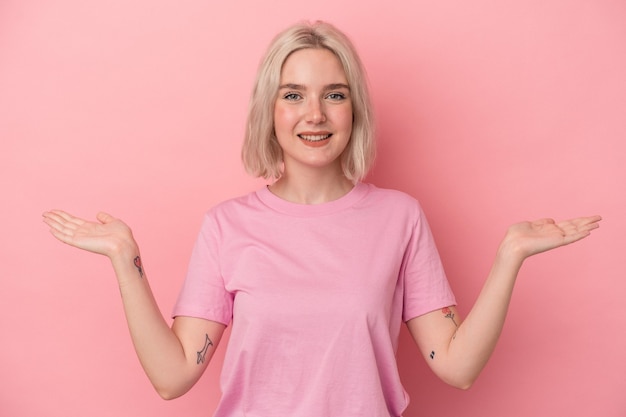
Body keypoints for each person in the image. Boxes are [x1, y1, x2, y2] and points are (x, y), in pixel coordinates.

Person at [42, 21, 601, 417]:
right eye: (293, 95)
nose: (315, 114)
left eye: (334, 94)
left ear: (353, 109)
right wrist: (126, 260)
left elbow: (456, 366)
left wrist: (510, 256)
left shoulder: (399, 218)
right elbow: (173, 377)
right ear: (271, 110)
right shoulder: (226, 227)